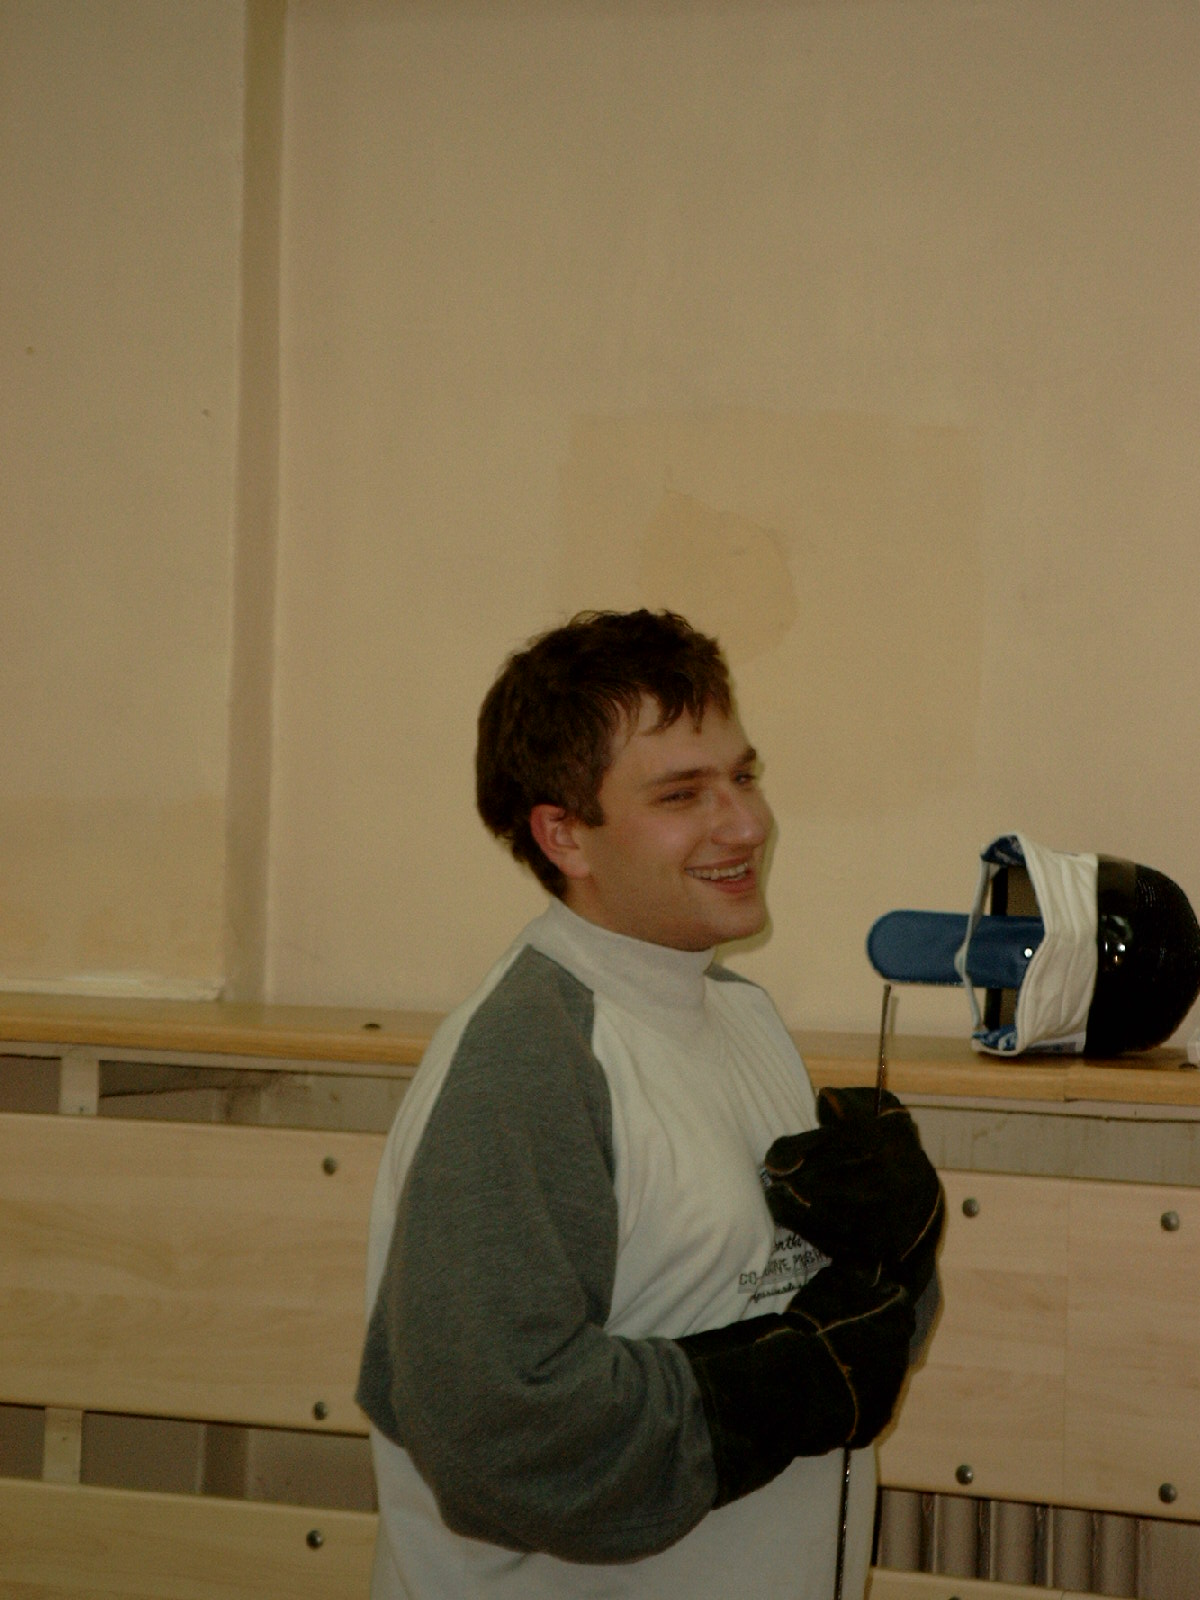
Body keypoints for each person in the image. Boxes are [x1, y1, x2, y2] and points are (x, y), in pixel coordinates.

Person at [357, 609, 943, 1600]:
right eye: (682, 794)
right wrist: (764, 1395)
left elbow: (843, 1352)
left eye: (744, 776)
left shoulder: (743, 1017)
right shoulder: (527, 1059)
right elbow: (495, 1428)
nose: (745, 823)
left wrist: (901, 1258)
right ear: (564, 835)